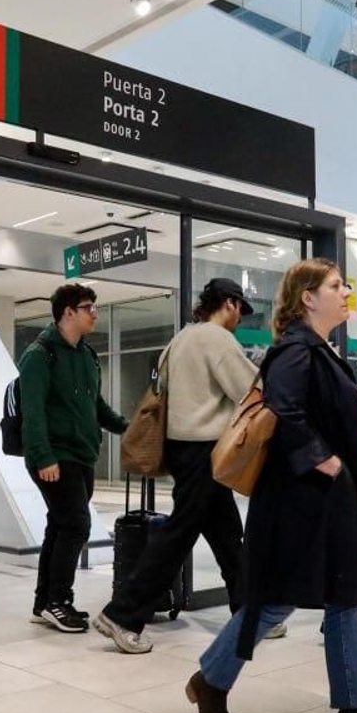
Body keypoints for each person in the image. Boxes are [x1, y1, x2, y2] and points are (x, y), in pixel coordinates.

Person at [184, 259, 357, 713]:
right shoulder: (296, 349)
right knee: (275, 600)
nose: (345, 290)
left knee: (342, 595)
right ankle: (211, 679)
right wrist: (323, 459)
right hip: (301, 499)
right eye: (335, 285)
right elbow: (284, 409)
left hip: (325, 498)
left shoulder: (319, 349)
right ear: (308, 298)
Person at [93, 278, 258, 654]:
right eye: (239, 311)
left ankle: (249, 613)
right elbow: (248, 389)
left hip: (183, 448)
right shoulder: (217, 339)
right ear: (230, 304)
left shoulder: (180, 339)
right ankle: (122, 614)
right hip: (205, 449)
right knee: (177, 535)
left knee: (228, 535)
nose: (238, 320)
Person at [20, 283, 129, 633]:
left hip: (82, 453)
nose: (94, 313)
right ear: (68, 312)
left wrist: (127, 427)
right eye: (88, 307)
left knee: (61, 525)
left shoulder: (87, 354)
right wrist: (43, 457)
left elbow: (95, 406)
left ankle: (44, 602)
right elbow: (32, 412)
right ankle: (58, 601)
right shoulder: (39, 355)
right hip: (54, 455)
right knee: (76, 525)